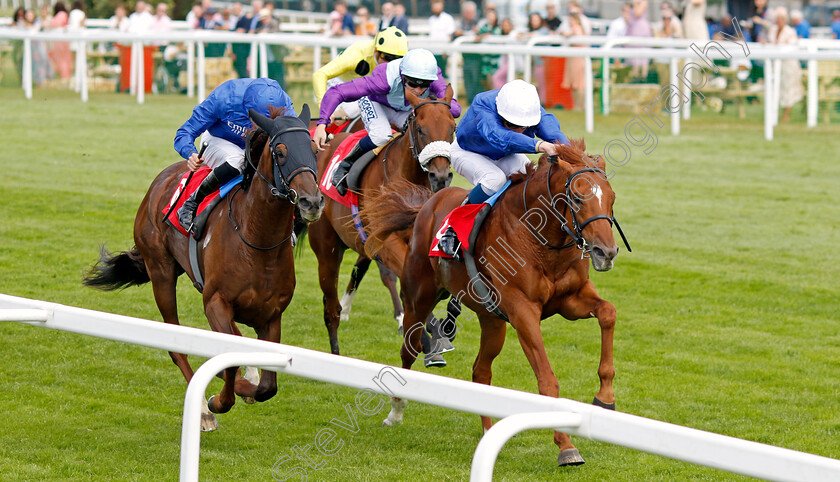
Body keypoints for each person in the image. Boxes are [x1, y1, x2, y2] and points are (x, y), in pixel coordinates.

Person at [313, 48, 462, 195]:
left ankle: (431, 174)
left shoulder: (433, 75)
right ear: (403, 77)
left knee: (424, 130)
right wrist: (322, 123)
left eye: (424, 85)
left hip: (405, 108)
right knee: (381, 135)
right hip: (376, 103)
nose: (418, 90)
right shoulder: (382, 80)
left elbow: (455, 108)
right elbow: (337, 92)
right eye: (412, 84)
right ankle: (345, 165)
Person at [174, 78, 296, 232]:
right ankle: (191, 203)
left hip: (254, 147)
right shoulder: (224, 97)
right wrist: (190, 153)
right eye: (258, 121)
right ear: (247, 109)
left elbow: (294, 137)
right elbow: (185, 131)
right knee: (238, 160)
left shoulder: (283, 103)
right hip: (218, 139)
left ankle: (290, 223)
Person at [449, 79, 567, 210]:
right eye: (511, 124)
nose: (517, 131)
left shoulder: (532, 109)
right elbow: (500, 137)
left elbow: (553, 133)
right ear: (500, 112)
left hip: (504, 154)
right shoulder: (483, 104)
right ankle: (456, 219)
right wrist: (541, 145)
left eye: (523, 126)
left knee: (530, 179)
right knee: (494, 180)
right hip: (467, 151)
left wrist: (569, 150)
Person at [312, 26, 408, 118]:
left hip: (362, 89)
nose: (391, 64)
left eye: (398, 59)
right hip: (336, 85)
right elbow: (320, 75)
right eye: (387, 57)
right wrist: (324, 109)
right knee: (362, 102)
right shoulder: (356, 54)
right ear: (376, 51)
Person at [770, 7, 803, 123]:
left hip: (789, 66)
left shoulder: (790, 31)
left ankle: (786, 115)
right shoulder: (773, 30)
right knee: (778, 89)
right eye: (777, 18)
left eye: (781, 18)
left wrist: (781, 44)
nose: (779, 21)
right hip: (776, 66)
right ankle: (776, 114)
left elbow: (792, 45)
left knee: (789, 89)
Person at [428, 0, 456, 77]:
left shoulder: (448, 18)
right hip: (433, 53)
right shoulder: (431, 19)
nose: (436, 7)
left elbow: (451, 35)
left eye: (438, 4)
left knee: (443, 76)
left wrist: (446, 51)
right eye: (434, 5)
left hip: (443, 53)